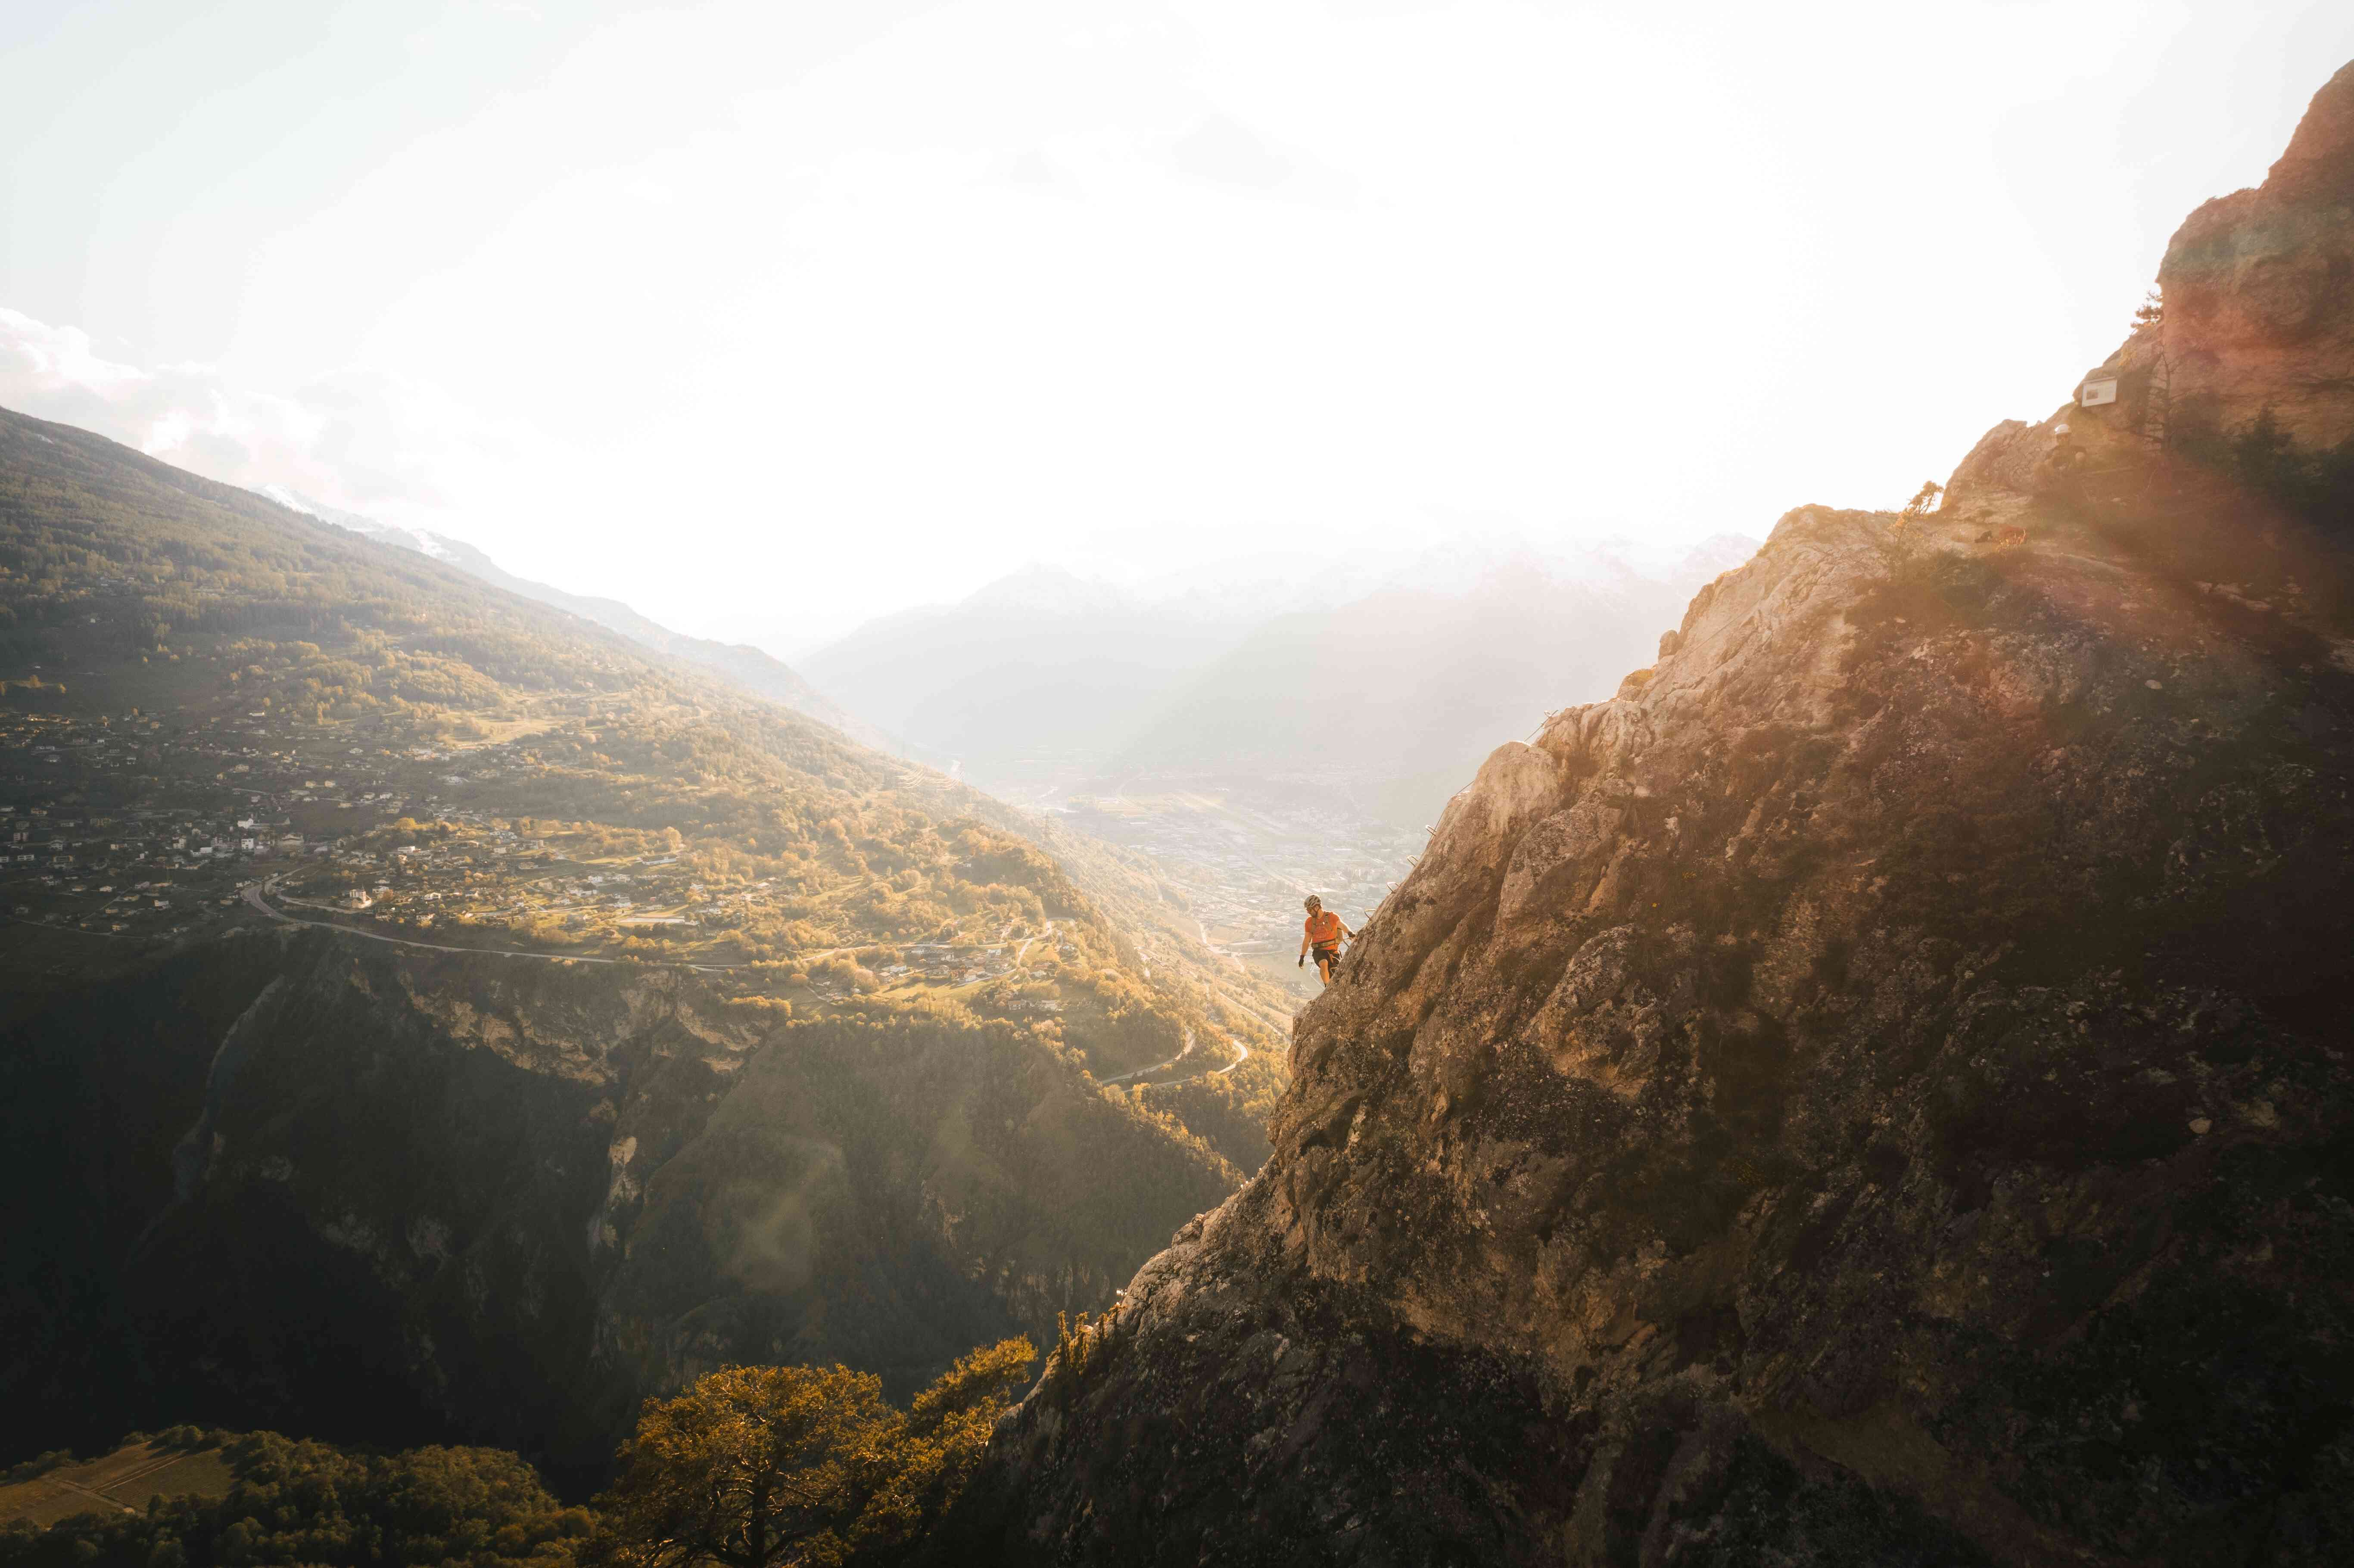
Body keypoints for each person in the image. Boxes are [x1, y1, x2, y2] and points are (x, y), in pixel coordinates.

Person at [1298, 895, 1353, 987]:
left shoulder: (1332, 917)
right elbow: (1307, 940)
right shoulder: (1309, 922)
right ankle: (1327, 987)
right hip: (1318, 952)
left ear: (1316, 907)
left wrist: (1350, 933)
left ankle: (1331, 986)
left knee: (1334, 974)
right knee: (1324, 963)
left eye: (1309, 910)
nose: (1308, 912)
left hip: (1333, 952)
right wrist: (1302, 957)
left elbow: (1342, 925)